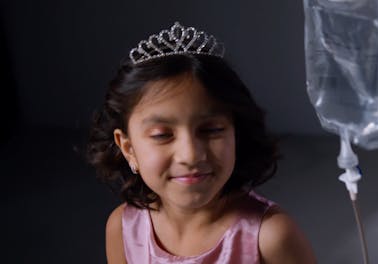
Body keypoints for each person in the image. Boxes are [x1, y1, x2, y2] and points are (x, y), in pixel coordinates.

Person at [87, 22, 316, 263]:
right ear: (128, 148)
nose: (190, 155)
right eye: (162, 135)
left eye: (211, 129)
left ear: (235, 134)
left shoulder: (271, 237)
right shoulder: (123, 229)